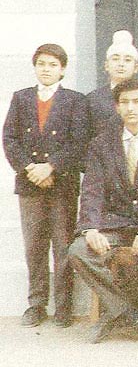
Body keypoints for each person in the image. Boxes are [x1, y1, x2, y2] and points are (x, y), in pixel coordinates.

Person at [68, 79, 138, 345]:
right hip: (113, 223)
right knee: (78, 251)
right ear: (117, 107)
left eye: (137, 101)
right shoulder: (101, 144)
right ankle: (134, 316)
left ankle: (113, 313)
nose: (131, 108)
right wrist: (91, 229)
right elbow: (92, 190)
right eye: (125, 102)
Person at [3, 44, 85, 328]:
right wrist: (30, 169)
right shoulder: (21, 98)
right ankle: (36, 304)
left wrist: (51, 167)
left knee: (63, 245)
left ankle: (63, 306)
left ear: (62, 69)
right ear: (35, 67)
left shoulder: (74, 101)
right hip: (30, 185)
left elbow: (78, 142)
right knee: (34, 246)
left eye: (52, 64)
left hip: (62, 185)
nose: (46, 69)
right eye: (41, 64)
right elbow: (10, 139)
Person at [85, 30, 138, 142]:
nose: (121, 64)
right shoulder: (93, 99)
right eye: (115, 59)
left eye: (127, 60)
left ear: (136, 68)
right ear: (106, 65)